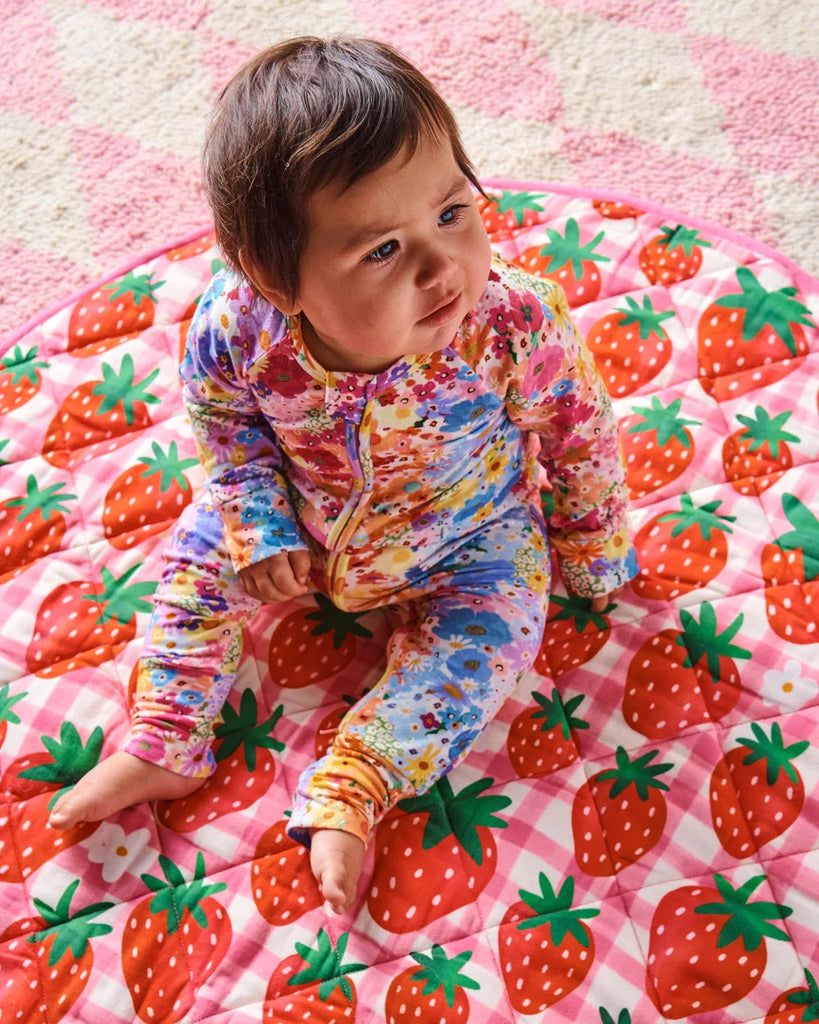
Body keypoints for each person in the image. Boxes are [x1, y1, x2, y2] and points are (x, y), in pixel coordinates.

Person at [50, 36, 638, 913]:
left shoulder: (514, 324)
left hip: (469, 534)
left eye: (451, 212)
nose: (441, 268)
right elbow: (225, 424)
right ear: (275, 281)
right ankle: (165, 738)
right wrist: (257, 522)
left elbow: (579, 428)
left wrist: (592, 547)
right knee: (194, 561)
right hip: (298, 520)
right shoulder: (236, 328)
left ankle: (353, 785)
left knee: (500, 631)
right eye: (381, 250)